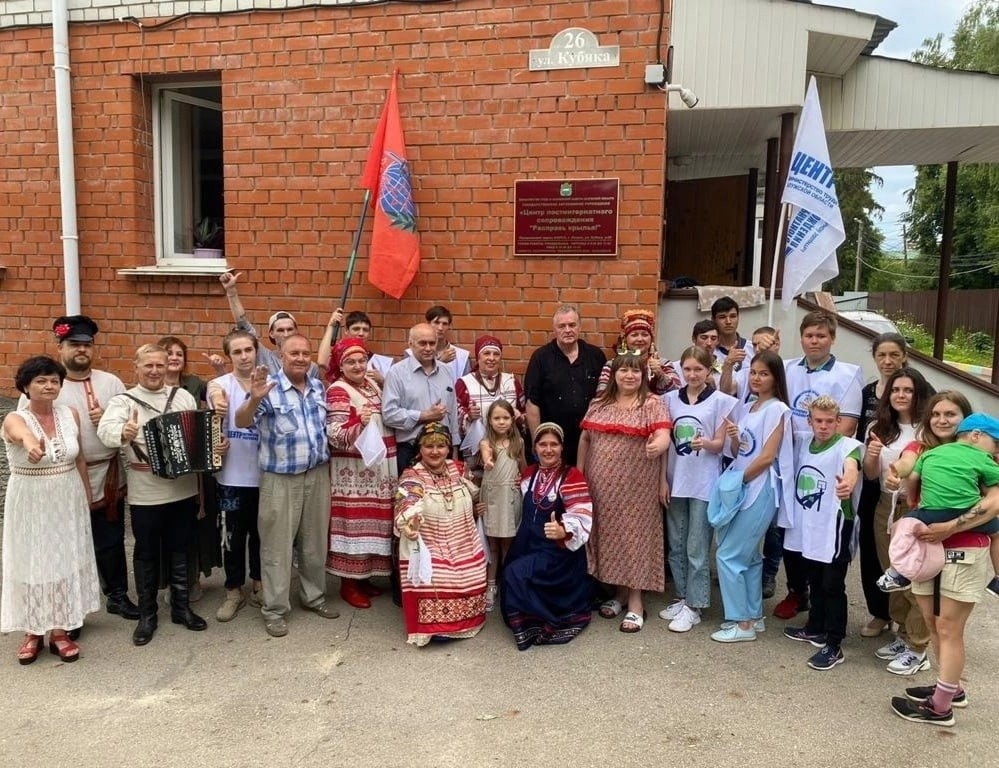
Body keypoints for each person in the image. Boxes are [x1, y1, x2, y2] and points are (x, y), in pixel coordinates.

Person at [16, 316, 138, 623]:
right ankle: (70, 605)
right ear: (60, 347)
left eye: (87, 345)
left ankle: (117, 595)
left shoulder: (111, 382)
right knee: (68, 542)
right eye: (74, 344)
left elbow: (129, 423)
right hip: (64, 476)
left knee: (110, 539)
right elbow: (22, 427)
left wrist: (109, 418)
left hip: (107, 472)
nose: (81, 350)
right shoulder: (44, 387)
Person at [97, 344, 208, 645]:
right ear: (136, 367)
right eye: (149, 366)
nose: (155, 371)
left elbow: (196, 433)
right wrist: (123, 433)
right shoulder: (123, 401)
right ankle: (148, 615)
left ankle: (181, 608)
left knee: (181, 547)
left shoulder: (182, 396)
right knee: (146, 552)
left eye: (160, 365)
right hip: (146, 491)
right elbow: (105, 432)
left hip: (183, 487)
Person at [234, 334, 340, 638]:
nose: (301, 358)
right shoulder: (267, 388)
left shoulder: (318, 386)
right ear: (281, 355)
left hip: (316, 475)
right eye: (294, 353)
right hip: (280, 480)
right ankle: (275, 609)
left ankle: (313, 596)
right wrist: (255, 399)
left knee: (314, 544)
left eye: (305, 353)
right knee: (276, 547)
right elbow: (242, 421)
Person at [2, 356, 101, 664]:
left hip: (67, 496)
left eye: (54, 381)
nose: (48, 386)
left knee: (63, 560)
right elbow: (20, 433)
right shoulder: (15, 418)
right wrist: (31, 442)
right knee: (31, 561)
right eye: (41, 381)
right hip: (30, 500)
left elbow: (79, 458)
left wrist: (86, 495)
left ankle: (59, 630)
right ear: (26, 386)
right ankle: (33, 631)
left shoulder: (70, 414)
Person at [774, 310, 863, 621]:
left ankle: (820, 596)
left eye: (821, 335)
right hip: (789, 457)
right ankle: (797, 591)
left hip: (824, 459)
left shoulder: (847, 374)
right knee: (791, 526)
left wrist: (816, 448)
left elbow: (847, 425)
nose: (814, 341)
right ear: (801, 338)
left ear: (832, 338)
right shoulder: (786, 368)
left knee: (818, 527)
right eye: (809, 335)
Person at [889, 481, 999, 727]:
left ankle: (940, 708)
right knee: (933, 624)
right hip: (927, 550)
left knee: (949, 629)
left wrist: (950, 527)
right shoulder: (927, 458)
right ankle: (950, 688)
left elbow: (994, 502)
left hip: (964, 548)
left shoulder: (984, 462)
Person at [578, 354, 672, 633]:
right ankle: (619, 594)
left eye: (635, 371)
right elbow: (585, 439)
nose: (629, 376)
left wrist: (659, 446)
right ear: (614, 375)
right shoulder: (599, 404)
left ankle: (636, 602)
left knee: (636, 540)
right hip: (602, 488)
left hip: (638, 489)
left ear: (643, 376)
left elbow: (663, 434)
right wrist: (579, 475)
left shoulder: (652, 403)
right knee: (610, 538)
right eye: (624, 371)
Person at [709, 351, 794, 643]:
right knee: (750, 557)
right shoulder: (748, 407)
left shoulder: (778, 409)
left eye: (764, 373)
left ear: (776, 377)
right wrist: (734, 436)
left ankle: (740, 622)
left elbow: (767, 457)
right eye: (754, 372)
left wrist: (738, 482)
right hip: (744, 484)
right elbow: (740, 451)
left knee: (728, 555)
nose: (757, 378)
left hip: (759, 488)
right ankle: (754, 616)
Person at [780, 396, 862, 670]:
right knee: (814, 577)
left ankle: (834, 643)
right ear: (810, 421)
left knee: (832, 584)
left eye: (829, 421)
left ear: (839, 422)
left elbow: (851, 469)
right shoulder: (803, 442)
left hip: (835, 524)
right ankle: (815, 626)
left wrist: (847, 484)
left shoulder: (847, 447)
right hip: (810, 523)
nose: (824, 426)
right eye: (818, 421)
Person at [660, 346, 737, 633]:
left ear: (709, 370)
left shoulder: (721, 401)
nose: (692, 374)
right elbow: (664, 444)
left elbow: (720, 445)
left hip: (703, 483)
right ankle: (682, 597)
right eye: (687, 369)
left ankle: (696, 604)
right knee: (676, 544)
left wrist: (705, 443)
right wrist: (662, 480)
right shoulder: (668, 400)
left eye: (698, 369)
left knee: (696, 547)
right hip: (676, 480)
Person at [862, 367, 934, 675]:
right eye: (895, 390)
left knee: (915, 579)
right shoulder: (879, 427)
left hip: (916, 508)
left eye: (907, 390)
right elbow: (870, 474)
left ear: (919, 394)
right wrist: (872, 454)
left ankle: (918, 646)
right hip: (885, 505)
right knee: (892, 574)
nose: (900, 395)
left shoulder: (928, 429)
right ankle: (902, 634)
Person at [877, 413, 999, 593]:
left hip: (929, 512)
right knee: (997, 533)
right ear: (976, 435)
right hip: (965, 509)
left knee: (900, 528)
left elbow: (912, 478)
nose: (996, 450)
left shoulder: (930, 453)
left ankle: (897, 573)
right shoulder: (984, 458)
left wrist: (912, 500)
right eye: (996, 443)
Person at [501, 423, 594, 650]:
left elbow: (582, 513)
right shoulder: (528, 474)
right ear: (535, 447)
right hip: (528, 545)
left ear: (562, 447)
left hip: (556, 552)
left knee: (515, 574)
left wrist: (563, 530)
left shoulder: (572, 476)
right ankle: (529, 618)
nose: (548, 449)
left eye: (554, 444)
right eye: (543, 444)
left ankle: (539, 623)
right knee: (510, 571)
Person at [394, 423, 486, 646]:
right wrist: (410, 523)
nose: (435, 451)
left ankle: (464, 622)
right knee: (436, 573)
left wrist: (478, 506)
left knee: (472, 569)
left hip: (462, 541)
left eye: (441, 446)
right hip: (431, 544)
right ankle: (435, 629)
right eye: (429, 446)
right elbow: (407, 502)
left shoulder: (459, 469)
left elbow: (478, 491)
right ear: (420, 449)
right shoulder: (413, 475)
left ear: (448, 448)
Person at [324, 336, 398, 609]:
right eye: (351, 362)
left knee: (376, 523)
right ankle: (349, 583)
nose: (357, 366)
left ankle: (365, 577)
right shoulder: (338, 390)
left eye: (361, 360)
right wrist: (358, 421)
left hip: (381, 469)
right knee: (355, 523)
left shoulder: (372, 384)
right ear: (340, 366)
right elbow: (334, 433)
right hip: (354, 474)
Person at [853, 332, 911, 638]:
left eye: (894, 355)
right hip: (872, 480)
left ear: (904, 356)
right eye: (881, 355)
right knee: (872, 551)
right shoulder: (866, 392)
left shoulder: (916, 390)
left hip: (907, 488)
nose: (887, 361)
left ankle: (907, 621)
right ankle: (879, 612)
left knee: (905, 555)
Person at [206, 330, 263, 622]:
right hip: (231, 477)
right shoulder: (220, 384)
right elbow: (215, 398)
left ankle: (259, 585)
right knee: (232, 537)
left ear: (256, 351)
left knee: (262, 535)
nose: (243, 356)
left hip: (265, 475)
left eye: (248, 350)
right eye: (237, 352)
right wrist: (218, 403)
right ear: (229, 356)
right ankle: (233, 590)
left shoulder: (268, 383)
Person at [159, 334, 218, 603]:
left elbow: (220, 393)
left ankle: (192, 578)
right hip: (163, 467)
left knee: (193, 525)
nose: (174, 357)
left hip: (194, 466)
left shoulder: (194, 384)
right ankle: (170, 581)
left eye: (178, 354)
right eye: (168, 352)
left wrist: (219, 372)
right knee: (167, 526)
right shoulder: (151, 386)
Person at [524, 304, 607, 466]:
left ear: (579, 327)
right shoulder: (541, 358)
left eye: (572, 325)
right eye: (562, 326)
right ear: (554, 330)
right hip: (553, 442)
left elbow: (606, 398)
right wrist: (537, 443)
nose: (568, 330)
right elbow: (532, 404)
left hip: (588, 440)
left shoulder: (595, 356)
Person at [382, 323, 460, 472]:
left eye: (432, 343)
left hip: (443, 448)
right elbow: (389, 414)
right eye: (423, 343)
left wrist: (454, 450)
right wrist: (424, 415)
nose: (428, 348)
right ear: (410, 344)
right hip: (410, 449)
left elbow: (453, 413)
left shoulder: (447, 371)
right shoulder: (396, 373)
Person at [218, 271, 321, 378]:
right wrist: (231, 292)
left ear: (296, 332)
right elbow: (244, 326)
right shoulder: (264, 357)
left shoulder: (310, 367)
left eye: (290, 329)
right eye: (280, 330)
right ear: (271, 333)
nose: (286, 334)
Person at [478, 399, 527, 611]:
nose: (501, 422)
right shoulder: (486, 442)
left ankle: (508, 583)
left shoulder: (519, 443)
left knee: (508, 544)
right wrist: (488, 462)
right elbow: (486, 457)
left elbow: (523, 467)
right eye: (496, 418)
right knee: (492, 545)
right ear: (489, 420)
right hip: (492, 497)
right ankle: (491, 585)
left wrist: (522, 478)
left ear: (512, 419)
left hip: (510, 496)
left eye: (505, 417)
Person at [455, 335, 525, 465]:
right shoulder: (464, 383)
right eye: (486, 353)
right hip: (476, 455)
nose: (491, 358)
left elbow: (524, 413)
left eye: (496, 354)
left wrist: (519, 417)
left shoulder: (511, 381)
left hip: (508, 450)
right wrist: (468, 416)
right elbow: (454, 417)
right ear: (478, 357)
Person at [595, 308, 679, 396]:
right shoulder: (612, 365)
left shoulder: (663, 364)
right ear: (625, 339)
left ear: (651, 339)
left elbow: (677, 393)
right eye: (634, 335)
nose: (640, 339)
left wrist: (660, 375)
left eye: (645, 335)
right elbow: (602, 394)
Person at [316, 308, 394, 385]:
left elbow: (393, 389)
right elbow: (322, 362)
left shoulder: (383, 362)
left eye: (365, 330)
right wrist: (331, 326)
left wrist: (382, 381)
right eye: (356, 329)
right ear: (346, 331)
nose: (361, 333)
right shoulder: (340, 358)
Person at [711, 296, 753, 369]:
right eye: (722, 317)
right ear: (713, 320)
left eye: (733, 316)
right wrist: (728, 362)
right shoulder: (709, 351)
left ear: (738, 318)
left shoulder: (752, 348)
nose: (728, 322)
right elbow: (719, 373)